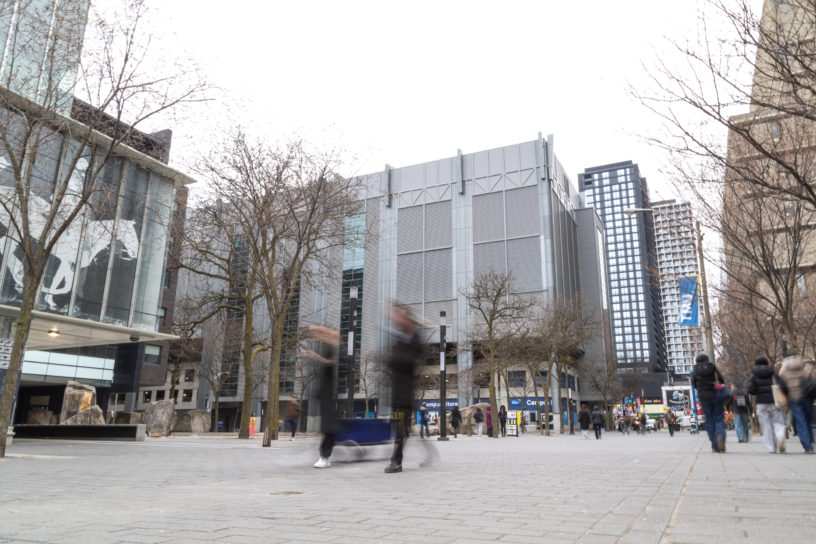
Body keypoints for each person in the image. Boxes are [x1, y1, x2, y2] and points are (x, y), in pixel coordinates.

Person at [385, 305, 437, 473]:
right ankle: (428, 452)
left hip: (405, 393)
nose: (396, 319)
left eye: (400, 316)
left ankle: (396, 461)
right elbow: (391, 361)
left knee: (401, 428)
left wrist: (396, 356)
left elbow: (408, 360)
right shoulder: (400, 338)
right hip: (396, 390)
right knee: (403, 428)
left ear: (408, 320)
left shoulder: (414, 339)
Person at [302, 325, 339, 468]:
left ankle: (325, 456)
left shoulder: (333, 348)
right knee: (327, 427)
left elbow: (330, 362)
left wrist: (313, 354)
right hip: (325, 392)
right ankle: (324, 456)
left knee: (328, 427)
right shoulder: (327, 347)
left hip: (329, 393)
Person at [777, 355, 815, 454]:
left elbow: (781, 384)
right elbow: (813, 378)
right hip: (806, 396)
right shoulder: (804, 364)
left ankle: (808, 447)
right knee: (808, 420)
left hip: (793, 398)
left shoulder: (783, 369)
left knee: (801, 421)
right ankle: (810, 439)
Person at [748, 355, 786, 453]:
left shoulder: (754, 374)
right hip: (775, 401)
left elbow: (751, 390)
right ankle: (780, 436)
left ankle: (771, 448)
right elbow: (783, 385)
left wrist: (757, 391)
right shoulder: (773, 372)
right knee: (778, 421)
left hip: (761, 402)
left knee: (766, 426)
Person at [692, 353, 728, 453]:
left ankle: (714, 446)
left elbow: (694, 383)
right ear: (707, 360)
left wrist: (701, 390)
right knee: (718, 418)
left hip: (704, 398)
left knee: (709, 420)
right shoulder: (712, 367)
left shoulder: (695, 370)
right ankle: (720, 435)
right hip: (716, 395)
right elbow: (721, 380)